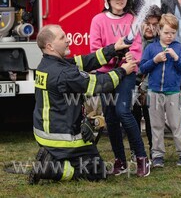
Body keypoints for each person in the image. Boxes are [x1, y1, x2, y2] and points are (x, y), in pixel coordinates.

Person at [30, 24, 135, 184]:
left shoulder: (47, 65)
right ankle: (50, 169)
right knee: (98, 172)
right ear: (50, 46)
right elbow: (99, 84)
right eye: (62, 38)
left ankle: (52, 157)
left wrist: (114, 48)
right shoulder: (63, 73)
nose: (67, 40)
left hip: (45, 133)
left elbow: (85, 61)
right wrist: (123, 71)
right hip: (62, 137)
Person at [90, 0, 150, 176]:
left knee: (123, 112)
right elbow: (95, 50)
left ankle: (142, 158)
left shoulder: (133, 20)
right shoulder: (97, 20)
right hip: (106, 76)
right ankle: (120, 161)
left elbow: (137, 49)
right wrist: (114, 56)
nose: (120, 0)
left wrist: (128, 60)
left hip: (126, 75)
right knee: (110, 117)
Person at [140, 13, 181, 168]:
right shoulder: (151, 48)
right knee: (156, 125)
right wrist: (154, 61)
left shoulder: (178, 48)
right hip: (154, 92)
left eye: (173, 33)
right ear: (159, 31)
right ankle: (157, 155)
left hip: (173, 93)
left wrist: (176, 58)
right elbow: (142, 67)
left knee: (176, 124)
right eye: (166, 33)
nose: (170, 36)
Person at [132, 5, 162, 157]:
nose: (150, 28)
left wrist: (144, 88)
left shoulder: (160, 43)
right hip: (132, 83)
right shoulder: (133, 39)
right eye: (147, 23)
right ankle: (136, 152)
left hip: (151, 85)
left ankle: (154, 151)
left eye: (155, 25)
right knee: (133, 119)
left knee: (152, 120)